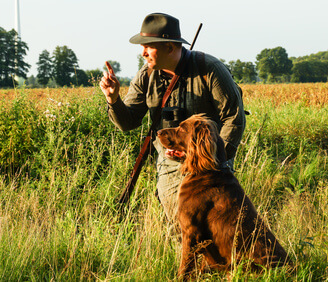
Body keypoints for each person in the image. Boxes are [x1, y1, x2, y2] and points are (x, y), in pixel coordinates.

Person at [100, 12, 246, 222]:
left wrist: (215, 159)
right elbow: (128, 122)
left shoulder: (210, 69)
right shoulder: (146, 76)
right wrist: (113, 99)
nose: (143, 53)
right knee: (180, 231)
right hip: (169, 168)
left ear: (169, 47)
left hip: (210, 167)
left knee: (217, 230)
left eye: (148, 46)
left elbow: (234, 118)